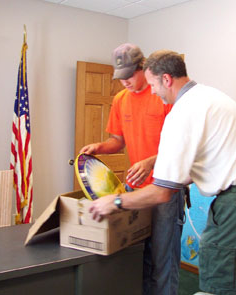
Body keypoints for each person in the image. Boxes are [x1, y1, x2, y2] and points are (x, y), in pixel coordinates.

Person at [89, 50, 236, 295]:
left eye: (152, 85)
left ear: (167, 80)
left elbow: (162, 193)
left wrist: (115, 202)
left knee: (219, 286)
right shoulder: (211, 96)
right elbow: (207, 159)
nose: (151, 91)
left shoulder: (181, 114)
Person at [80, 44, 185, 295]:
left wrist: (150, 161)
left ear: (143, 68)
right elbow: (118, 141)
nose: (124, 81)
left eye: (129, 75)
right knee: (137, 255)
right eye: (120, 77)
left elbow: (181, 145)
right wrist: (99, 147)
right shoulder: (120, 100)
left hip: (165, 188)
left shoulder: (163, 94)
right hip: (134, 189)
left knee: (163, 259)